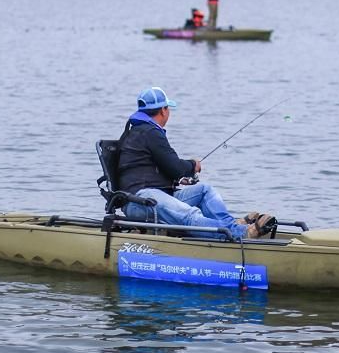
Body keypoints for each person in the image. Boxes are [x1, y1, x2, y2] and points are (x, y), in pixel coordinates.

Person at [116, 86, 275, 240]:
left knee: (204, 190)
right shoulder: (151, 133)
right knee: (189, 215)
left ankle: (230, 224)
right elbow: (176, 168)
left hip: (154, 195)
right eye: (168, 108)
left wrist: (180, 177)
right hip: (141, 200)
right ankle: (240, 233)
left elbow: (160, 169)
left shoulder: (141, 131)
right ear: (163, 110)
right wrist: (193, 165)